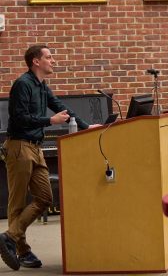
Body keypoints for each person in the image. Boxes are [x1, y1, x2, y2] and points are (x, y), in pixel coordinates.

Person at [0, 45, 101, 270]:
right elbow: (19, 117)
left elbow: (60, 108)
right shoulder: (23, 84)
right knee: (16, 203)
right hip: (19, 146)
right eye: (49, 57)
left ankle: (10, 236)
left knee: (45, 197)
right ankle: (23, 251)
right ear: (36, 61)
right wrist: (49, 121)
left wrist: (86, 126)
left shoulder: (42, 86)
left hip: (35, 147)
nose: (53, 61)